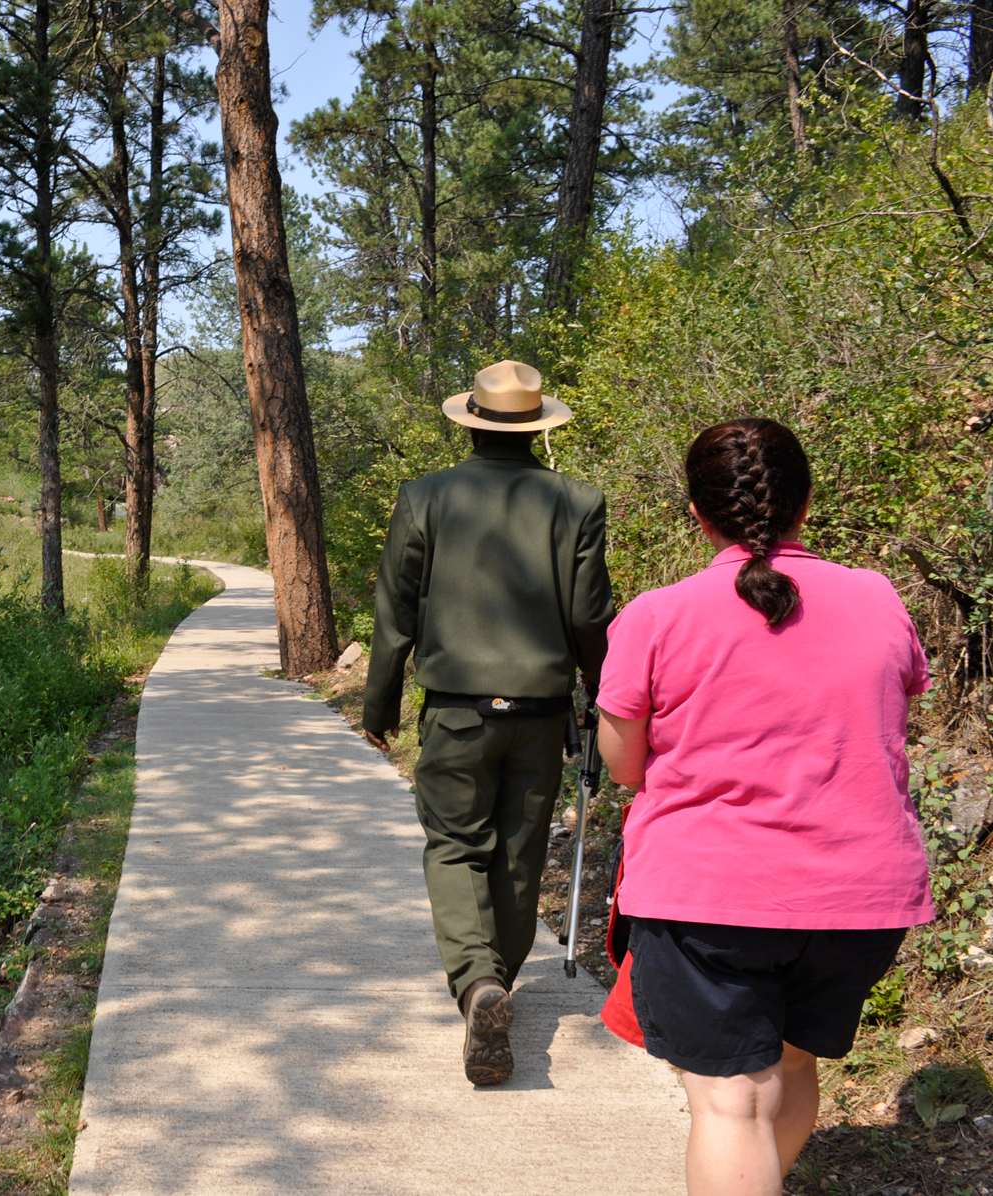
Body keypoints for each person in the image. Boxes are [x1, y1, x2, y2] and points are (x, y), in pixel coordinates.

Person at [597, 418, 932, 1196]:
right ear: (806, 504)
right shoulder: (879, 597)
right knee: (792, 1064)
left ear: (697, 512)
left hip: (711, 898)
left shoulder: (656, 614)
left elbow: (624, 766)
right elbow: (886, 715)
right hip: (859, 897)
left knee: (731, 1103)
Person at [361, 359, 614, 1086]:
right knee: (518, 850)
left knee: (453, 845)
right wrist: (606, 692)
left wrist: (378, 708)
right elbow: (590, 615)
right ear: (537, 425)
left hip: (455, 709)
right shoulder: (578, 502)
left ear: (469, 418)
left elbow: (394, 613)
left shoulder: (425, 498)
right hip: (539, 711)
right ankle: (493, 981)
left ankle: (478, 986)